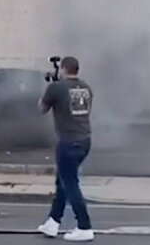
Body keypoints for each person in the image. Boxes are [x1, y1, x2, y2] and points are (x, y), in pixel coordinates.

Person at [38, 55, 95, 242]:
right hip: (85, 140)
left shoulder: (56, 88)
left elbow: (41, 108)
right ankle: (53, 222)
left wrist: (50, 88)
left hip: (68, 142)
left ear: (63, 69)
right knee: (62, 180)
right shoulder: (86, 88)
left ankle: (84, 226)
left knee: (70, 184)